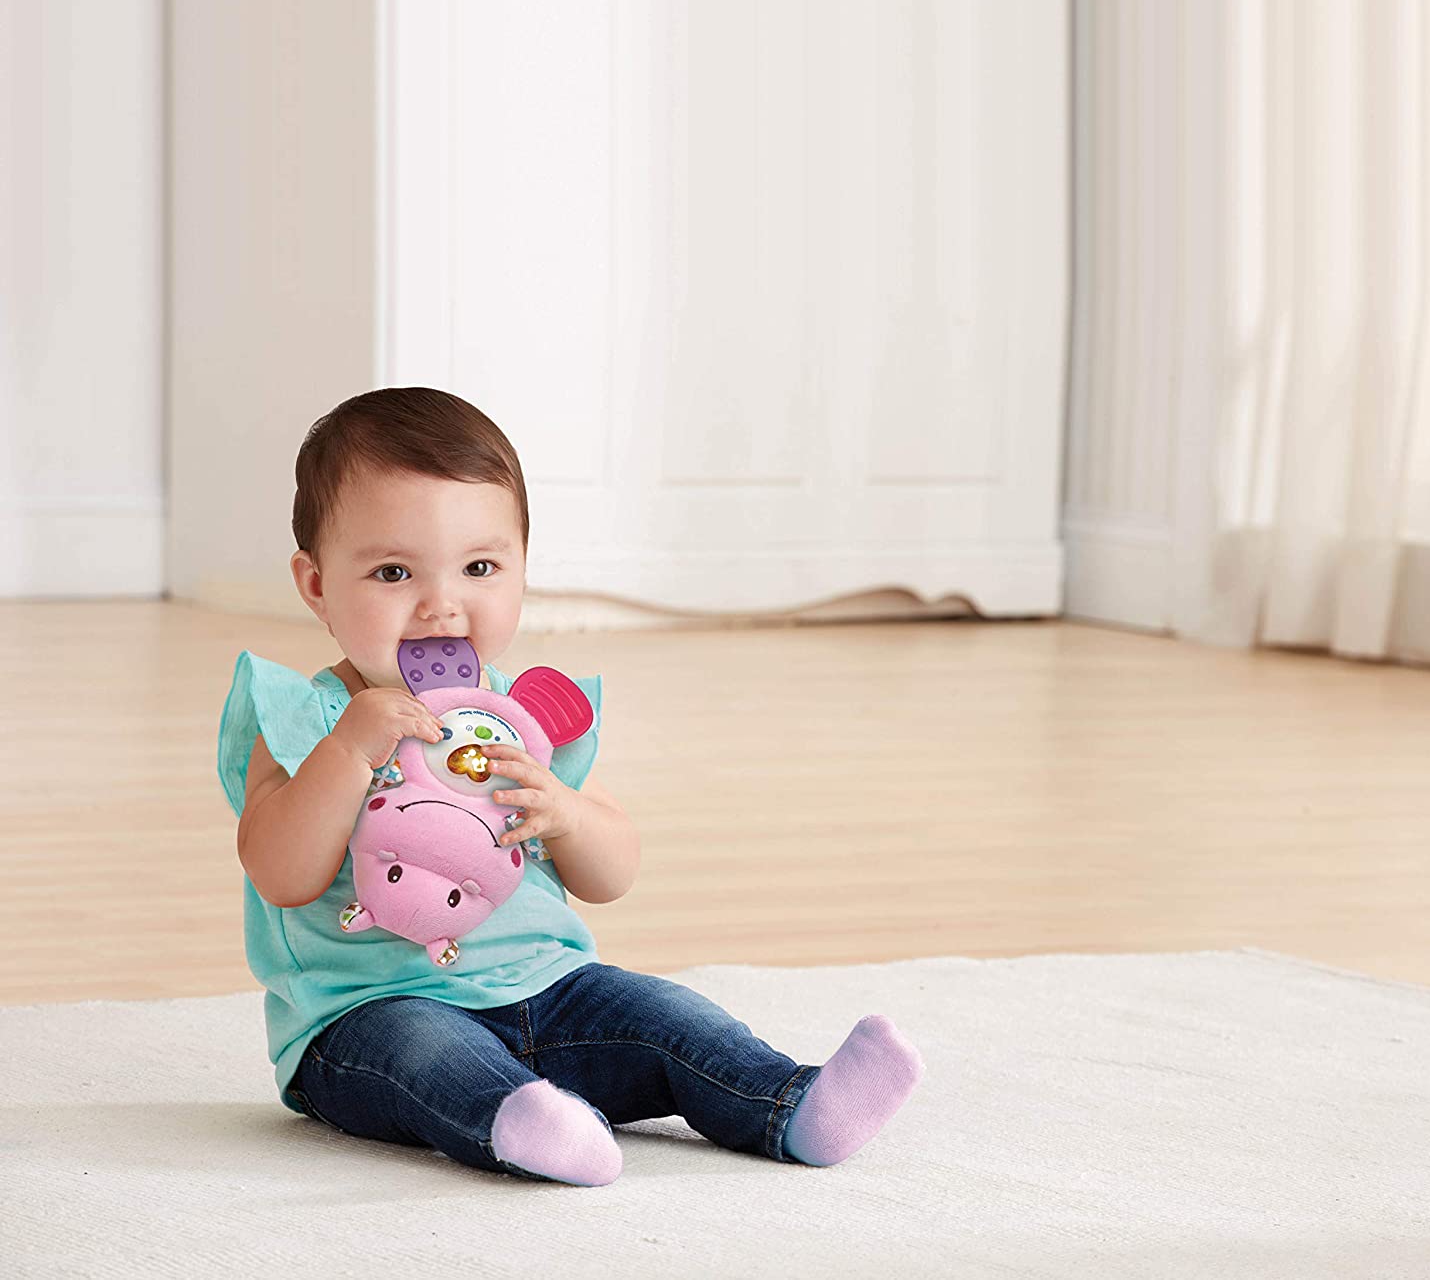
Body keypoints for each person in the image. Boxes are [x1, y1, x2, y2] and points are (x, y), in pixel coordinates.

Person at [216, 387, 924, 1186]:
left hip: (551, 991)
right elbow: (281, 872)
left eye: (480, 567)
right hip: (365, 1020)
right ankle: (521, 1120)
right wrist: (349, 752)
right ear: (315, 586)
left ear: (522, 568)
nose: (441, 604)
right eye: (392, 571)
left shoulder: (520, 718)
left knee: (665, 1017)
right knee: (431, 1058)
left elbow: (611, 876)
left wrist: (565, 813)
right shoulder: (303, 718)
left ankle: (790, 1104)